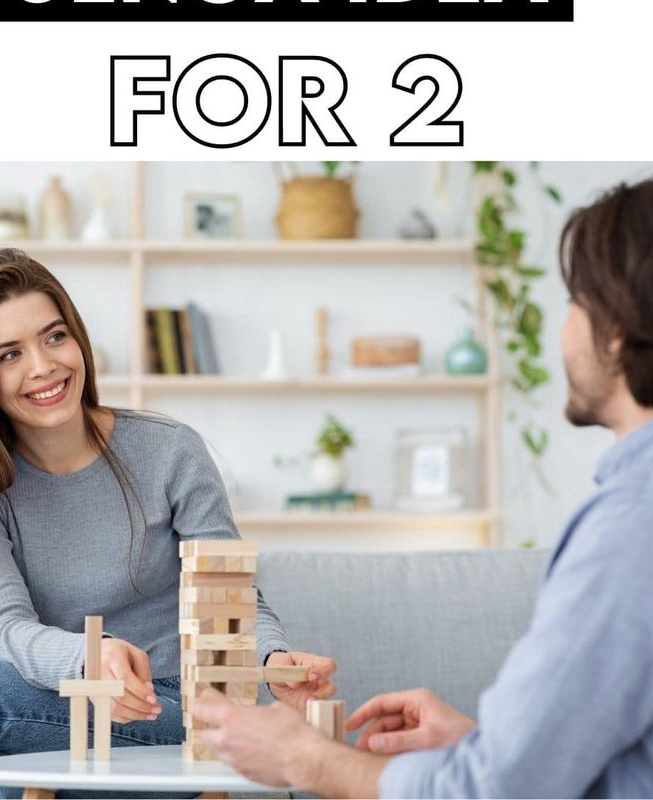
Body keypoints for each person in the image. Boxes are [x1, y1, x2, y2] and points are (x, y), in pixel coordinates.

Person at [194, 178, 653, 799]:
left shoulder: (629, 528)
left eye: (576, 300)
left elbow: (492, 791)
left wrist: (306, 759)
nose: (565, 328)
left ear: (618, 327)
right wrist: (476, 740)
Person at [0, 248, 336, 799]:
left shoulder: (170, 452)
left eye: (54, 336)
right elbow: (11, 629)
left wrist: (273, 659)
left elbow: (229, 606)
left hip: (181, 713)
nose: (44, 366)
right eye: (9, 354)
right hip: (65, 714)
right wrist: (92, 657)